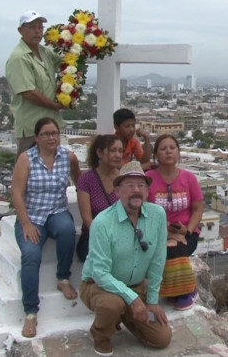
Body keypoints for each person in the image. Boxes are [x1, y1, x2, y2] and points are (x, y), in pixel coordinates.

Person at [80, 161, 171, 356]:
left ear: (147, 191)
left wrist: (152, 301)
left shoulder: (158, 215)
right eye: (129, 185)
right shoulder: (102, 222)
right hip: (99, 286)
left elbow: (158, 260)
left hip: (136, 287)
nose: (135, 191)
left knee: (161, 338)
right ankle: (101, 334)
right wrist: (132, 299)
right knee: (112, 304)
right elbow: (100, 273)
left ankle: (124, 316)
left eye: (141, 186)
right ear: (117, 190)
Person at [11, 117, 82, 338]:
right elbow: (16, 192)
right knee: (31, 255)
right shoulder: (27, 159)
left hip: (57, 211)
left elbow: (80, 182)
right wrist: (26, 223)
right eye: (46, 134)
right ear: (37, 137)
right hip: (32, 216)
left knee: (68, 231)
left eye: (55, 133)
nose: (51, 138)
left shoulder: (68, 157)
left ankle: (63, 277)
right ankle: (31, 313)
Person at [145, 134, 204, 310]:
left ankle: (188, 291)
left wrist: (187, 231)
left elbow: (198, 209)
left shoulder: (189, 178)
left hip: (187, 232)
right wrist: (167, 233)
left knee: (175, 247)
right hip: (157, 232)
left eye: (172, 147)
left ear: (178, 153)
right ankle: (176, 291)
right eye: (163, 148)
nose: (168, 151)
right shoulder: (148, 179)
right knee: (167, 247)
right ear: (156, 155)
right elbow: (145, 212)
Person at [6, 10, 66, 157]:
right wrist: (56, 105)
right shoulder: (19, 58)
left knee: (52, 167)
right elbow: (29, 92)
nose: (37, 31)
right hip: (32, 128)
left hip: (52, 125)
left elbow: (64, 63)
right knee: (28, 170)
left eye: (40, 27)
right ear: (21, 31)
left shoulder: (44, 51)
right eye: (32, 27)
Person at [75, 134, 123, 262]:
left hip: (122, 237)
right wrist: (106, 241)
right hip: (93, 238)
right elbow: (87, 219)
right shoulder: (86, 179)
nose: (118, 155)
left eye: (120, 151)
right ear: (100, 153)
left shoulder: (124, 178)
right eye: (113, 150)